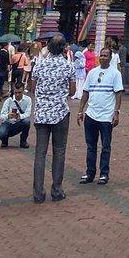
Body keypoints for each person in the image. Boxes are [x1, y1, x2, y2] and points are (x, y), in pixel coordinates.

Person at [29, 33, 75, 204]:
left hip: (42, 114)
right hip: (60, 113)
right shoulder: (68, 66)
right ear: (64, 48)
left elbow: (32, 87)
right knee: (59, 151)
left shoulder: (39, 65)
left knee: (40, 153)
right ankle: (56, 190)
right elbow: (72, 91)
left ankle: (38, 193)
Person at [77, 45, 122, 185]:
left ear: (110, 58)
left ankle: (104, 174)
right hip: (91, 115)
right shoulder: (92, 73)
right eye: (101, 55)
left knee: (105, 147)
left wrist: (116, 112)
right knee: (91, 146)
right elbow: (86, 92)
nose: (102, 58)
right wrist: (80, 111)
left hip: (106, 117)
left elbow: (118, 93)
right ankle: (90, 173)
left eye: (105, 56)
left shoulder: (115, 74)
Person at [0, 83, 31, 148]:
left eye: (20, 92)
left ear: (23, 91)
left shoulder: (28, 100)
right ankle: (4, 140)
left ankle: (23, 141)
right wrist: (8, 116)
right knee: (1, 134)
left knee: (27, 121)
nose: (17, 95)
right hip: (8, 122)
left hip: (19, 122)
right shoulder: (8, 101)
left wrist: (20, 117)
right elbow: (1, 116)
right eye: (16, 92)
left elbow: (28, 113)